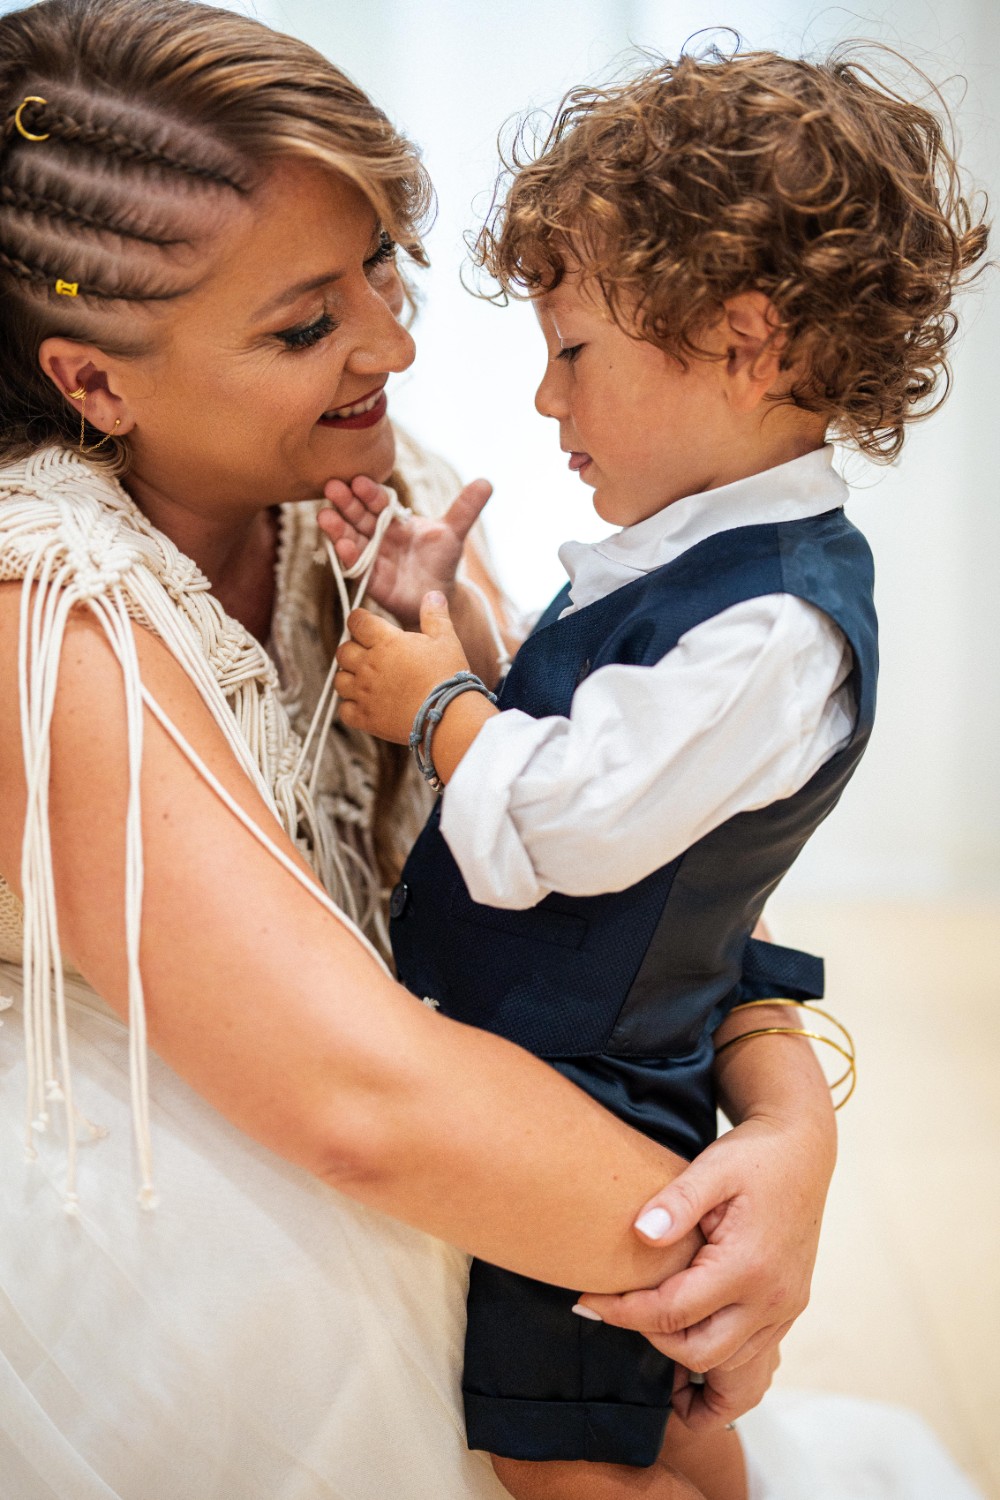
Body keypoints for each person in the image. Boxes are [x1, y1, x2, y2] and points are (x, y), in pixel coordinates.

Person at [0, 4, 859, 1497]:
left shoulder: (386, 485)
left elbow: (622, 841)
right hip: (157, 1190)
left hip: (444, 1102)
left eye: (381, 262)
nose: (394, 344)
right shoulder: (48, 606)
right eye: (303, 325)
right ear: (93, 384)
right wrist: (715, 1251)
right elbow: (356, 1100)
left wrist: (790, 1119)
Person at [327, 45, 988, 1500]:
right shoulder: (691, 558)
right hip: (562, 1057)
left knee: (558, 1448)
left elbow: (569, 818)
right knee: (651, 1420)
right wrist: (465, 628)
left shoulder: (772, 623)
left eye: (573, 354)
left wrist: (434, 705)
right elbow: (590, 735)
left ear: (746, 345)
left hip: (592, 1094)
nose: (545, 400)